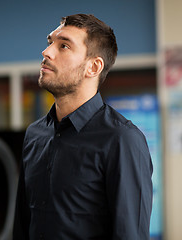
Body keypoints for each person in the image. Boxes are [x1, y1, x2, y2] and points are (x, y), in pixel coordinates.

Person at [13, 14, 153, 240]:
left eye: (64, 46)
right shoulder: (34, 135)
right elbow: (22, 225)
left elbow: (130, 234)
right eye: (50, 42)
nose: (47, 52)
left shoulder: (122, 139)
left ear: (93, 67)